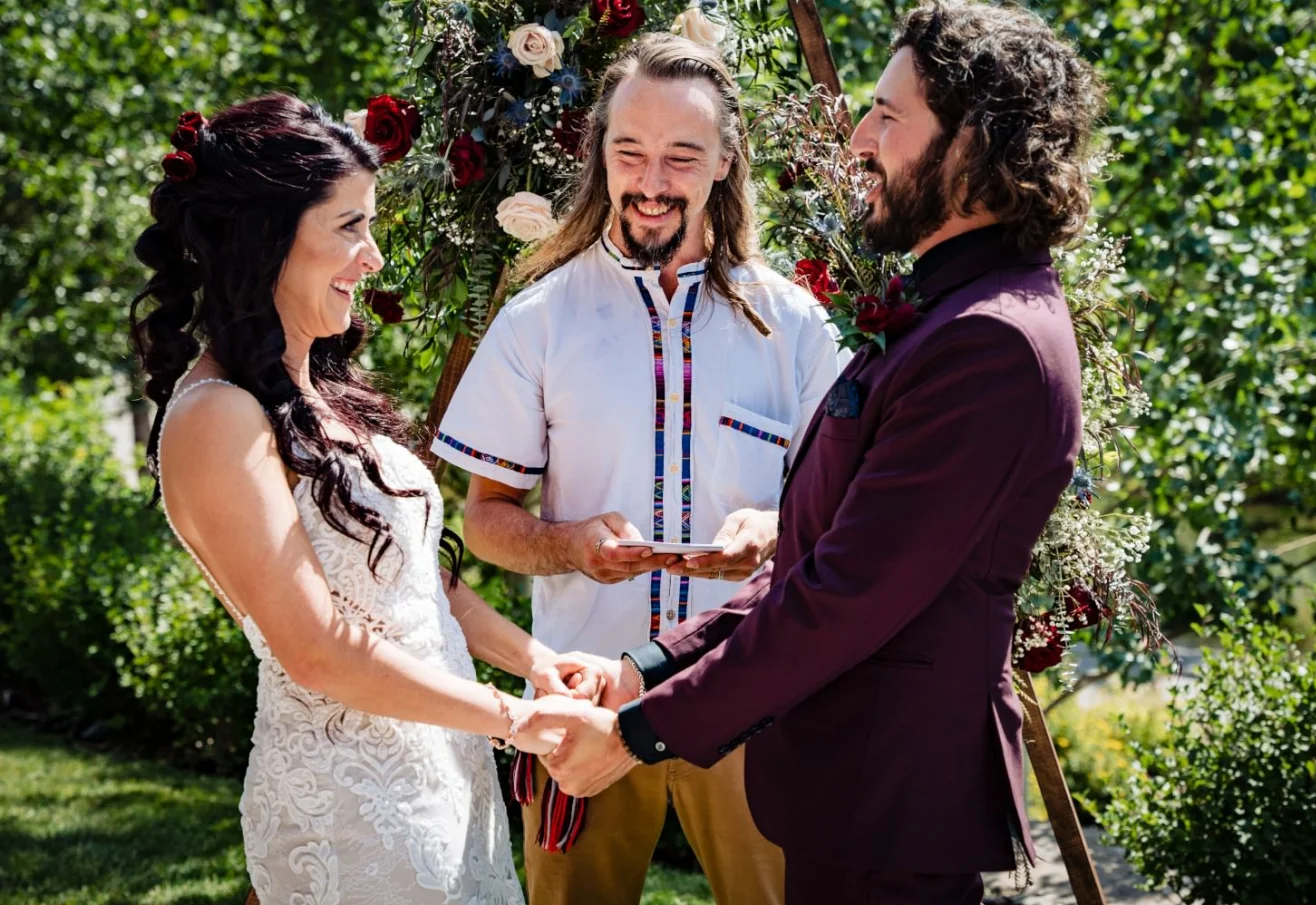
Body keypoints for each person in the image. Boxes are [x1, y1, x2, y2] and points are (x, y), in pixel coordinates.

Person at [533, 3, 1105, 903]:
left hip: (891, 799)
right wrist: (638, 668)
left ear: (972, 143)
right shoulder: (948, 311)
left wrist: (642, 732)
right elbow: (815, 558)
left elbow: (846, 597)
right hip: (849, 791)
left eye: (888, 113)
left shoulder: (990, 344)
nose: (860, 138)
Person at [129, 92, 599, 905]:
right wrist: (512, 720)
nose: (374, 256)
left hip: (441, 775)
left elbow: (418, 583)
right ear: (265, 239)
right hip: (348, 811)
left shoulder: (323, 388)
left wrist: (536, 665)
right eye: (349, 227)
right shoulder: (217, 418)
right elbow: (316, 647)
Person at [430, 34, 844, 905]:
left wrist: (775, 531)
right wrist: (572, 541)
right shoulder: (538, 318)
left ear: (724, 162)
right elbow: (483, 518)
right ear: (600, 153)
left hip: (753, 693)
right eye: (630, 151)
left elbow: (848, 514)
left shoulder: (795, 324)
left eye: (681, 156)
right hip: (582, 698)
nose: (651, 179)